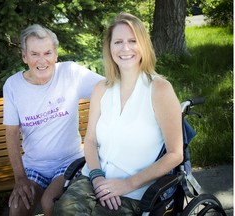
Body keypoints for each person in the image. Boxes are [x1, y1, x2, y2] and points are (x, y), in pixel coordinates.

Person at [54, 12, 183, 215]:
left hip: (134, 190)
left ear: (143, 45)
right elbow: (90, 141)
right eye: (118, 42)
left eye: (133, 41)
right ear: (109, 47)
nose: (125, 48)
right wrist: (96, 177)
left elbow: (175, 154)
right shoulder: (101, 89)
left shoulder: (160, 89)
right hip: (93, 179)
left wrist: (127, 184)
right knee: (62, 210)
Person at [3, 24, 104, 216]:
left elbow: (110, 88)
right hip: (34, 167)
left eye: (47, 53)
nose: (42, 60)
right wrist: (20, 178)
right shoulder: (12, 86)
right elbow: (11, 133)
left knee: (49, 202)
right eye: (34, 54)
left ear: (56, 54)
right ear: (24, 56)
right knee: (16, 209)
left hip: (69, 163)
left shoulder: (71, 73)